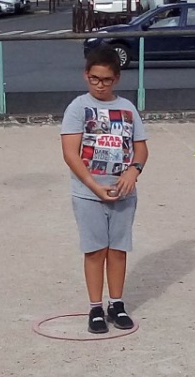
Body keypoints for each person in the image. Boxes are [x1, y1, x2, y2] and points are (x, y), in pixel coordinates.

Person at [61, 45, 149, 334]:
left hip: (123, 191)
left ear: (117, 79)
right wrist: (94, 186)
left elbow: (140, 149)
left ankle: (117, 303)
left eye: (106, 80)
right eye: (95, 79)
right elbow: (71, 153)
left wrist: (132, 173)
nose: (100, 85)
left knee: (119, 249)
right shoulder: (77, 108)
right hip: (89, 192)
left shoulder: (127, 108)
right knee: (95, 249)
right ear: (86, 76)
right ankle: (95, 307)